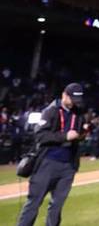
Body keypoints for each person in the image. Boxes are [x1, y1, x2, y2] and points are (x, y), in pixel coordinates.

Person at [16, 83, 85, 226]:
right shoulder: (51, 111)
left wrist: (81, 135)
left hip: (68, 166)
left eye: (77, 101)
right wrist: (65, 136)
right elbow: (40, 136)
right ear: (64, 95)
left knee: (57, 206)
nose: (74, 103)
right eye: (72, 99)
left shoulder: (78, 113)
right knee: (34, 203)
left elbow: (76, 134)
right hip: (46, 163)